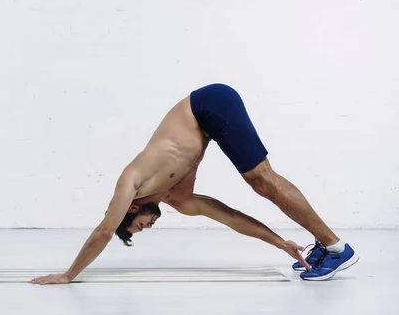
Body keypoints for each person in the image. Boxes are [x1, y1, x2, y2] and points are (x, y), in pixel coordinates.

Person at [30, 83, 359, 284]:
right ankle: (324, 247)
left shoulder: (131, 181)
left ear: (131, 209)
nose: (147, 227)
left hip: (208, 104)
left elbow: (104, 230)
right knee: (260, 183)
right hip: (209, 117)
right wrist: (278, 242)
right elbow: (229, 217)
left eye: (139, 227)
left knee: (262, 181)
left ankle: (336, 248)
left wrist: (69, 274)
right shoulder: (180, 200)